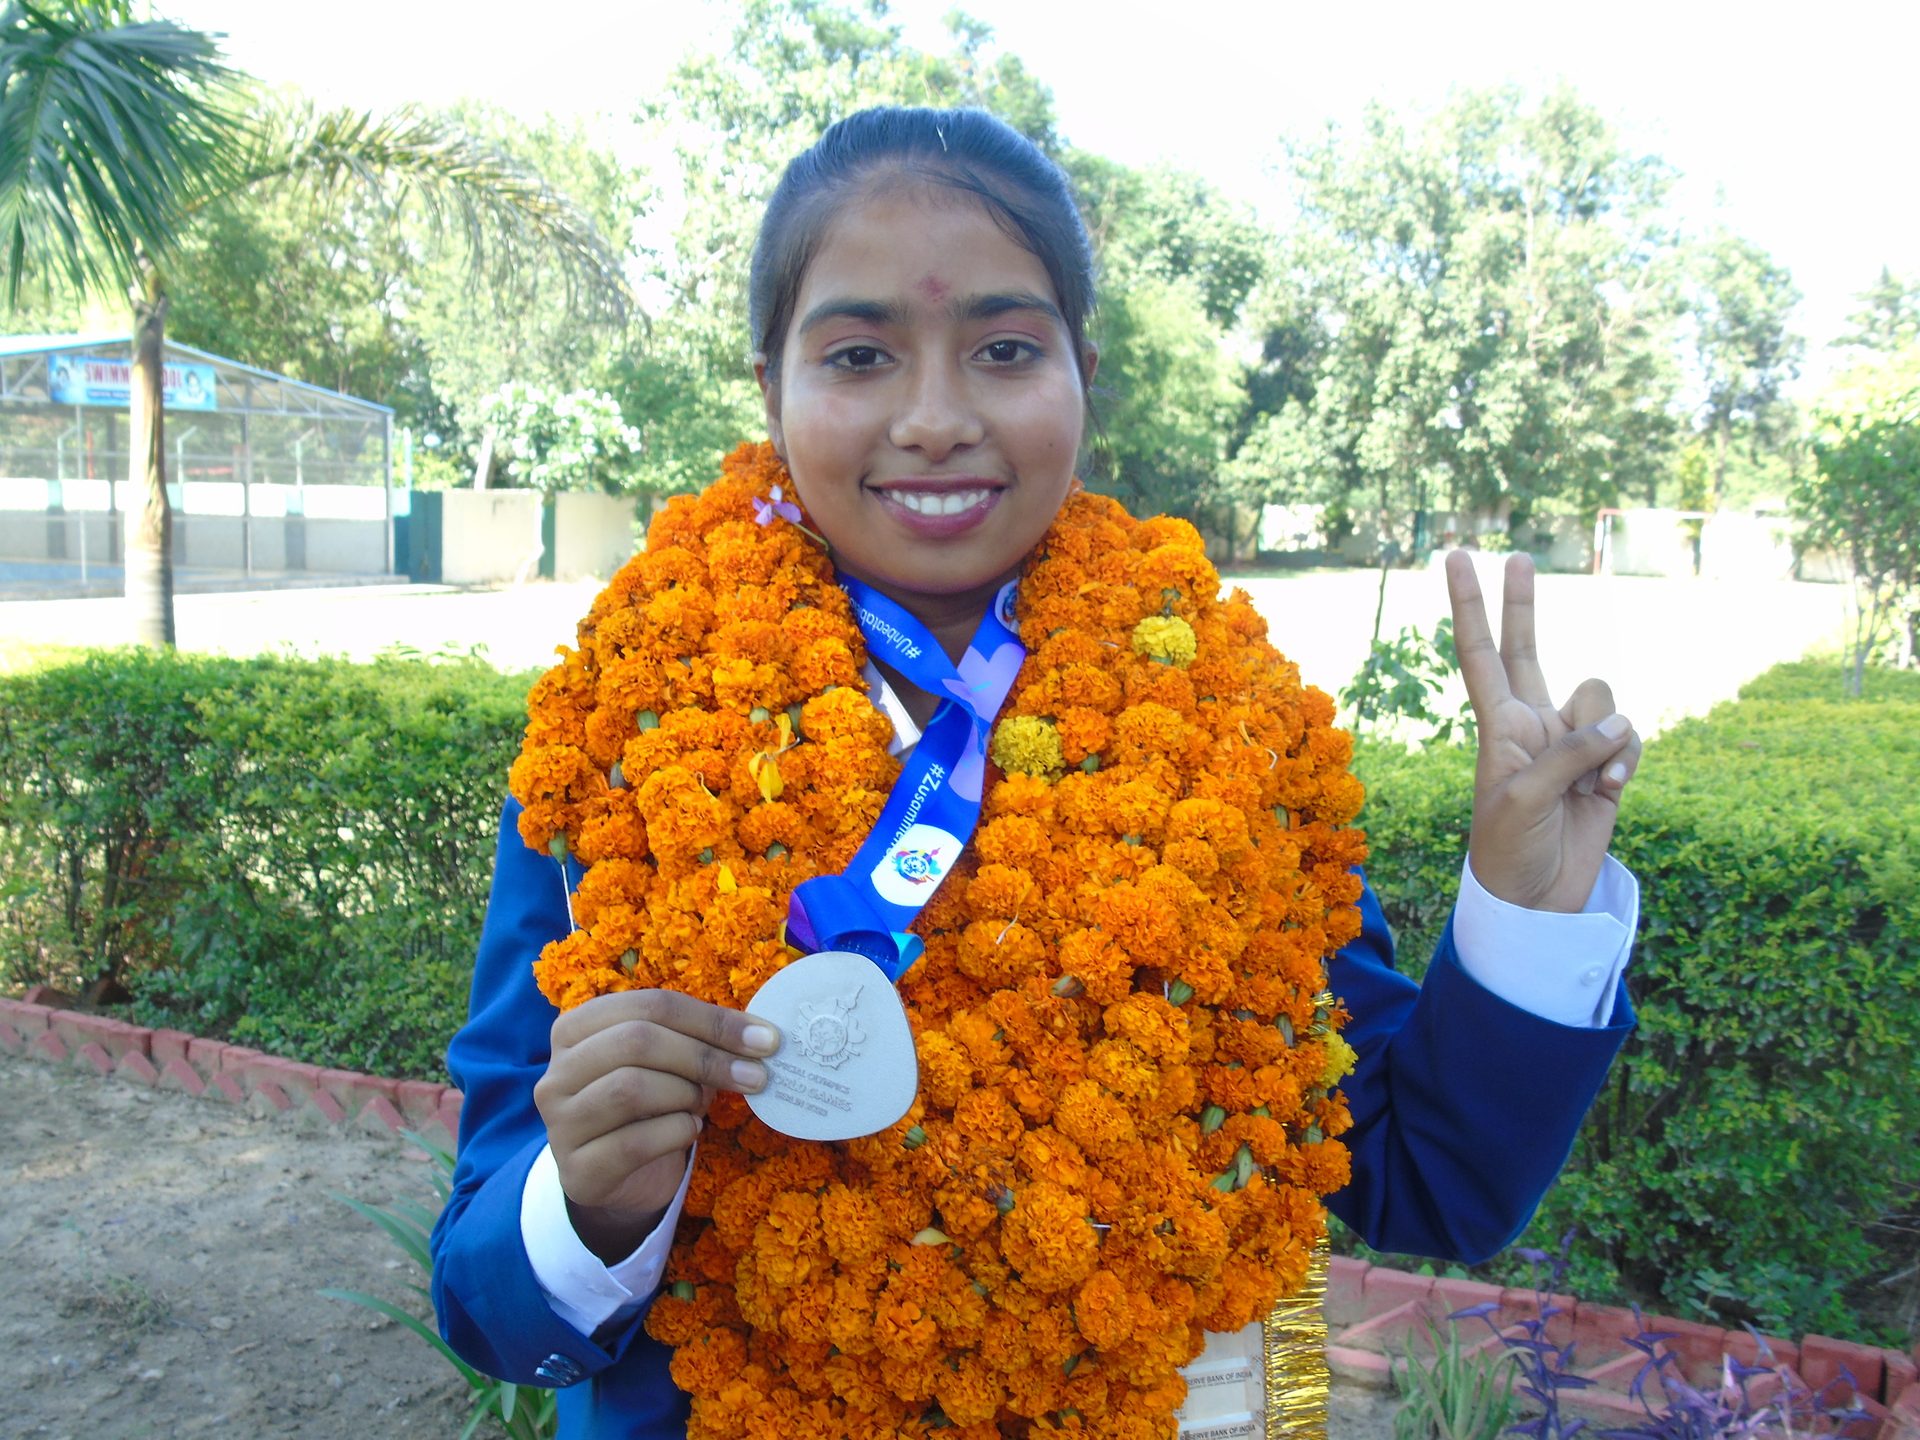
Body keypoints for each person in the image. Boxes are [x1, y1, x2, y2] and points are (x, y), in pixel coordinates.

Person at [430, 106, 1642, 1440]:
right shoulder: (620, 739)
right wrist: (587, 1207)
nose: (936, 419)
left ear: (1083, 371)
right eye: (859, 354)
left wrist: (1523, 913)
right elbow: (489, 1301)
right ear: (770, 387)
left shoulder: (1225, 734)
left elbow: (1422, 1179)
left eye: (1005, 349)